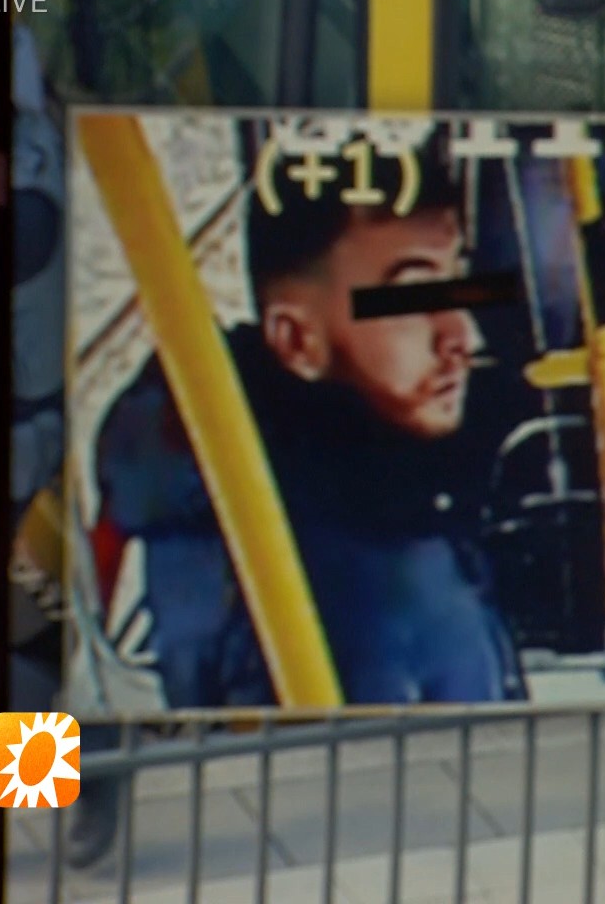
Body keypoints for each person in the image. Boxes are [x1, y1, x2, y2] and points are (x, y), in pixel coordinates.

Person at [86, 158, 527, 709]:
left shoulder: (173, 463)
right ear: (296, 340)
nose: (464, 337)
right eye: (413, 299)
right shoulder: (363, 574)